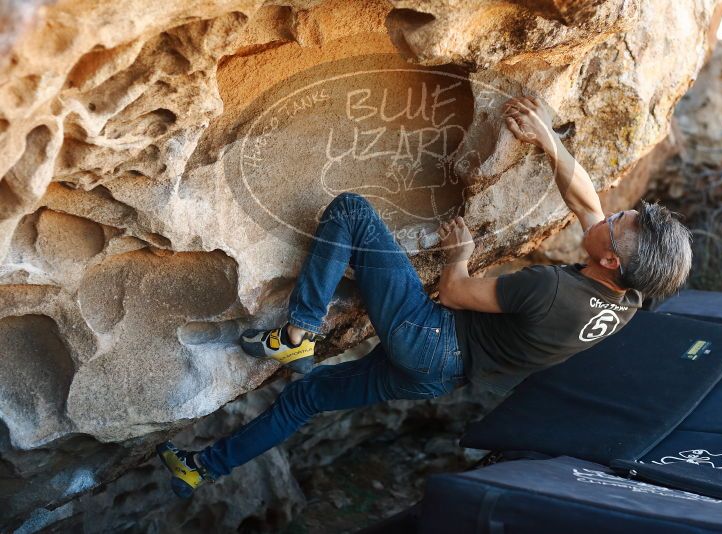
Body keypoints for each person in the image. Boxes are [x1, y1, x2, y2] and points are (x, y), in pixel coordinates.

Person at [156, 95, 693, 497]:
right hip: (437, 375)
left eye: (622, 224)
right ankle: (199, 469)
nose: (616, 213)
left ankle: (297, 332)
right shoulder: (624, 299)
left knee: (350, 211)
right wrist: (547, 139)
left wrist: (460, 252)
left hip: (431, 336)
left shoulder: (551, 289)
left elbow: (454, 292)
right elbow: (587, 205)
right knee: (305, 399)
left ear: (611, 261)